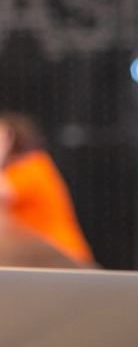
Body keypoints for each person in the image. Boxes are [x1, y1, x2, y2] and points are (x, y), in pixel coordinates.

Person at [0, 111, 93, 265]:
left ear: (11, 140)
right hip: (32, 258)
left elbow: (4, 193)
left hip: (61, 257)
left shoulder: (34, 165)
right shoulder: (11, 172)